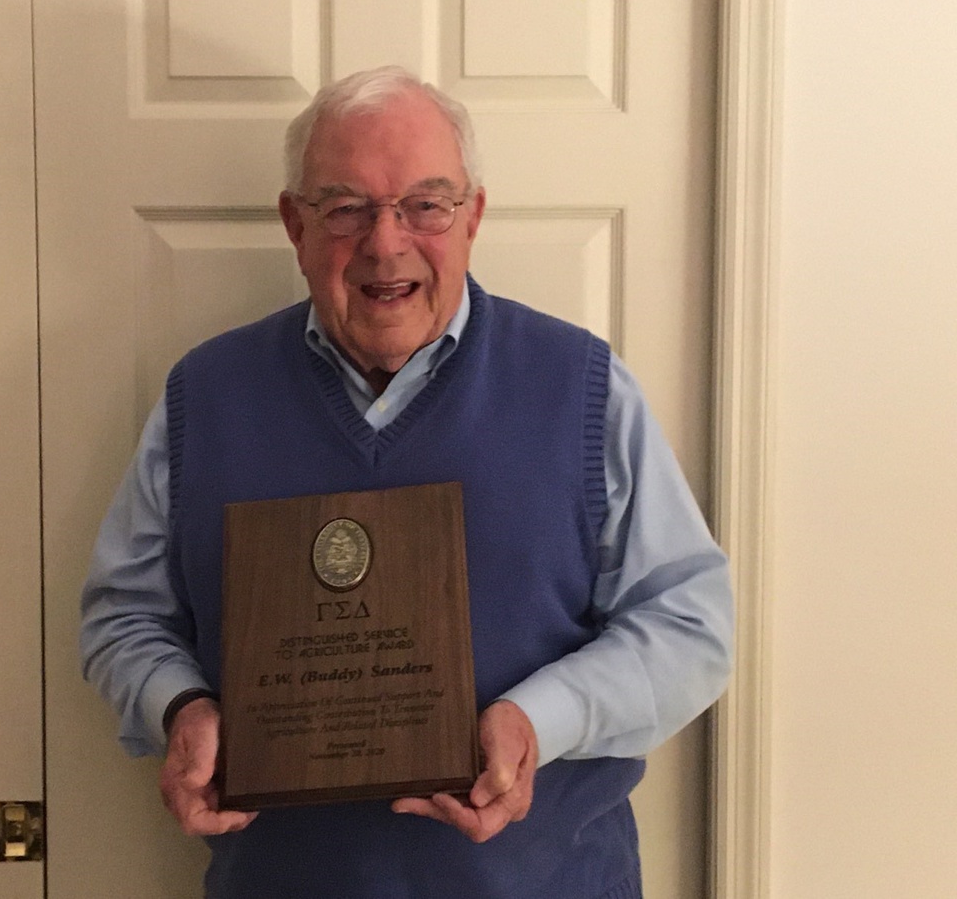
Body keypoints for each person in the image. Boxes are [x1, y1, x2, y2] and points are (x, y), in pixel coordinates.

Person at [80, 66, 733, 898]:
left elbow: (691, 625)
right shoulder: (203, 398)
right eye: (347, 208)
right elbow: (123, 615)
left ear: (473, 218)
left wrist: (539, 720)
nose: (386, 244)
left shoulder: (583, 391)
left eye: (426, 204)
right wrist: (178, 710)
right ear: (295, 224)